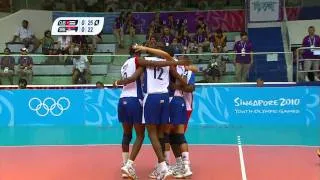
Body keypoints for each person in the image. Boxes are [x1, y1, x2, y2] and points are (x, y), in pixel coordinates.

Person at [116, 45, 190, 180]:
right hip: (165, 98)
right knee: (162, 133)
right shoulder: (167, 61)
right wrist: (177, 63)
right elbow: (183, 81)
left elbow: (136, 75)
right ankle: (164, 165)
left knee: (149, 134)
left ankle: (159, 165)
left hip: (149, 98)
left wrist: (118, 82)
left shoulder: (129, 64)